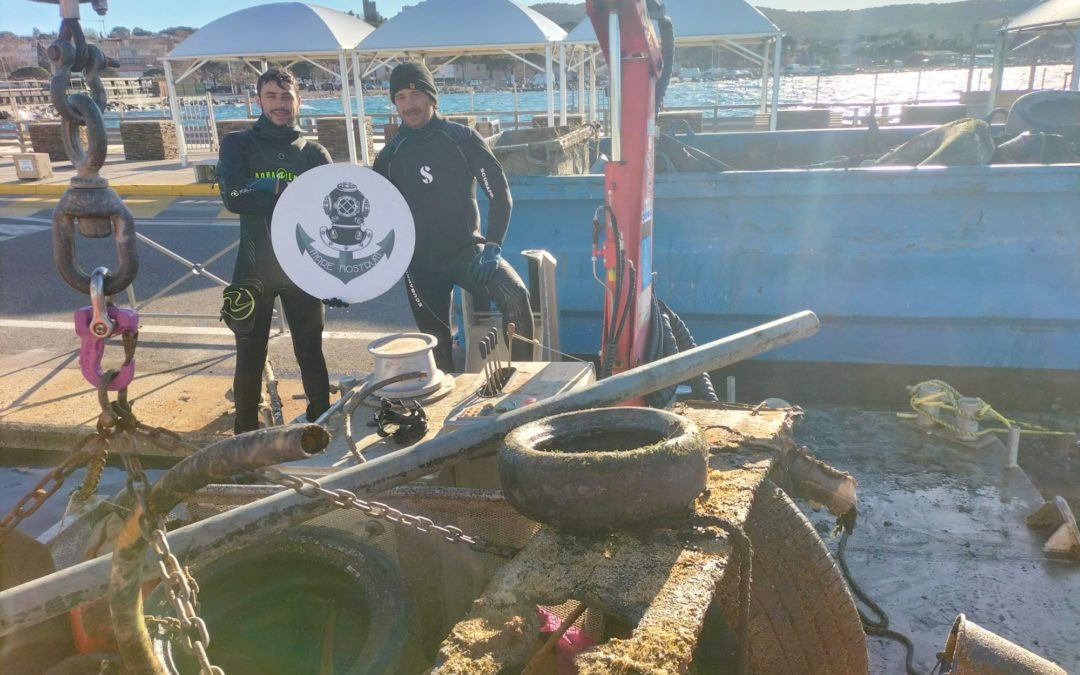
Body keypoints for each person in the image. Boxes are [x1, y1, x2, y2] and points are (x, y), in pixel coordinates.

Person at [373, 61, 534, 374]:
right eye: (401, 96)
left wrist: (492, 246)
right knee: (434, 345)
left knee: (515, 297)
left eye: (416, 94)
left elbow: (500, 194)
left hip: (467, 254)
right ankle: (444, 406)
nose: (409, 104)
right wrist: (347, 284)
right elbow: (375, 219)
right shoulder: (389, 156)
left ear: (432, 98)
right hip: (419, 263)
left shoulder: (461, 139)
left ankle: (523, 383)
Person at [217, 67, 333, 434]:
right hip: (254, 267)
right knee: (249, 355)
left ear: (299, 101)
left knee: (310, 350)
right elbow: (234, 198)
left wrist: (341, 276)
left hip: (303, 268)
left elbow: (328, 211)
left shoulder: (314, 152)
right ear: (259, 100)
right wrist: (290, 194)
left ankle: (320, 423)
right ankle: (245, 434)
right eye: (271, 96)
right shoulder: (238, 144)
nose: (280, 104)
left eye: (287, 97)